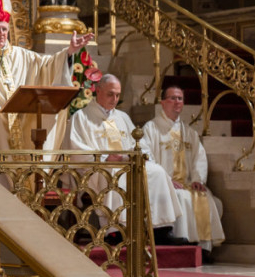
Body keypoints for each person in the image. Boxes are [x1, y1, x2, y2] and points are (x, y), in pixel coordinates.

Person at [0, 0, 94, 150]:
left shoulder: (22, 56)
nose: (1, 34)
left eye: (4, 29)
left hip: (22, 124)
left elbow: (48, 66)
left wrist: (70, 51)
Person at [68, 74, 185, 244]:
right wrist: (106, 158)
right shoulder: (81, 117)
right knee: (116, 174)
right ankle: (116, 231)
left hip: (127, 163)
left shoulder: (122, 117)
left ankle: (160, 229)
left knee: (157, 172)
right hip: (99, 168)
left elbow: (140, 144)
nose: (115, 99)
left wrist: (137, 155)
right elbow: (75, 149)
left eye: (117, 95)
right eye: (110, 94)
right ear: (98, 91)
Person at [142, 84, 224, 252]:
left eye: (180, 99)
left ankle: (203, 249)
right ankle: (183, 248)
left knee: (205, 197)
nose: (177, 102)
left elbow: (199, 157)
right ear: (163, 102)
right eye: (172, 98)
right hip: (163, 185)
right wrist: (166, 181)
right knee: (181, 197)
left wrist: (198, 179)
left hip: (186, 183)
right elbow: (146, 158)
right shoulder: (150, 128)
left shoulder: (189, 132)